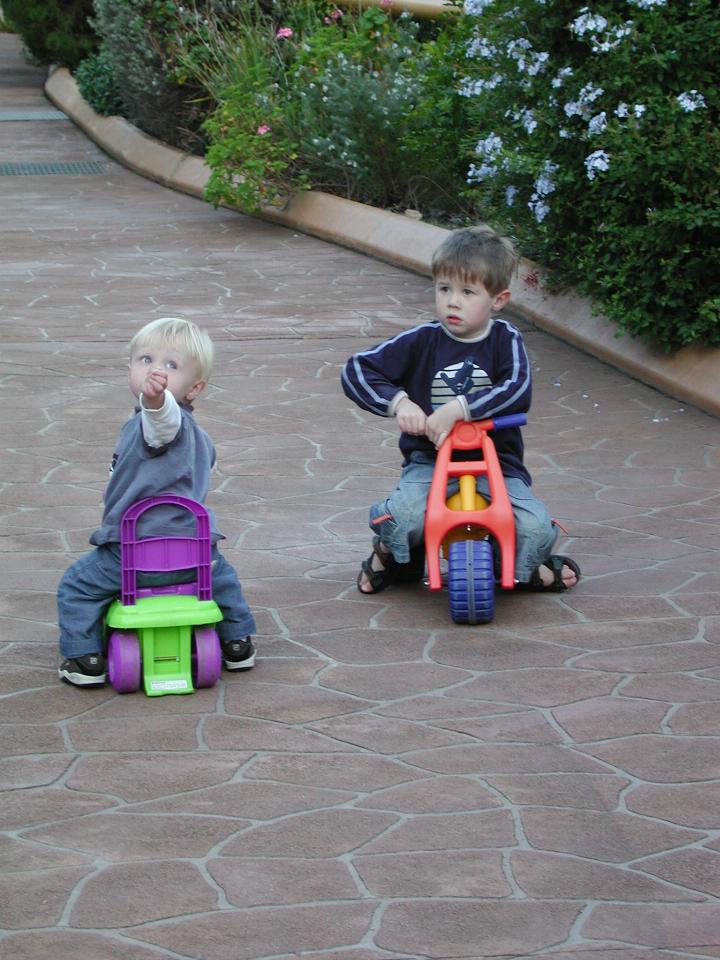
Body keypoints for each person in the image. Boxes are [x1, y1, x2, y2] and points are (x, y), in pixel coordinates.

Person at [341, 225, 581, 595]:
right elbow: (357, 368)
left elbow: (517, 387)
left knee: (533, 527)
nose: (453, 301)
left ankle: (525, 570)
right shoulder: (422, 341)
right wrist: (400, 403)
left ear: (498, 300)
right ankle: (390, 555)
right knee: (403, 517)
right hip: (430, 460)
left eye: (468, 292)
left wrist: (457, 409)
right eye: (444, 289)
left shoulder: (505, 340)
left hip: (498, 463)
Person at [57, 317, 257, 686]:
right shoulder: (201, 437)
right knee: (223, 578)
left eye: (171, 365)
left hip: (133, 555)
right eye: (145, 359)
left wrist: (156, 400)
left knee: (77, 586)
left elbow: (161, 419)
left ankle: (83, 657)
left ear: (194, 388)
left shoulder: (163, 421)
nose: (155, 371)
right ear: (129, 367)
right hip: (194, 555)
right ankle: (237, 641)